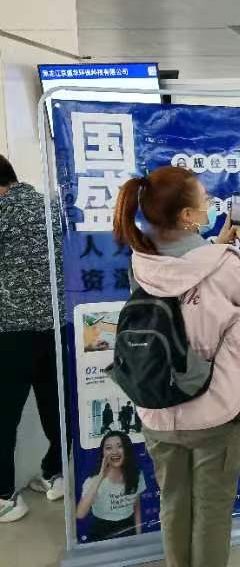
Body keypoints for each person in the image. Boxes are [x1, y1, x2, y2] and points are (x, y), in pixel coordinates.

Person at [113, 166, 240, 567]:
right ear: (187, 216)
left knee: (172, 503)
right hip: (213, 407)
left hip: (157, 408)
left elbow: (184, 277)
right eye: (204, 201)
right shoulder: (222, 263)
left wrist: (215, 246)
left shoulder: (141, 260)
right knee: (212, 510)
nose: (210, 206)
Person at [0, 154, 67, 523]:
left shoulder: (3, 212)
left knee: (3, 415)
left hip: (11, 331)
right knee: (55, 405)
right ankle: (56, 474)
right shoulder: (53, 207)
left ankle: (4, 496)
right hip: (57, 327)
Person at [76, 431, 145, 542]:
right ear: (103, 453)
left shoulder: (137, 476)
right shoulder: (92, 480)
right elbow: (80, 514)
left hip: (128, 527)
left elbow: (136, 506)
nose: (114, 452)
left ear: (126, 450)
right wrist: (100, 477)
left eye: (119, 446)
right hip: (101, 531)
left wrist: (138, 534)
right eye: (108, 448)